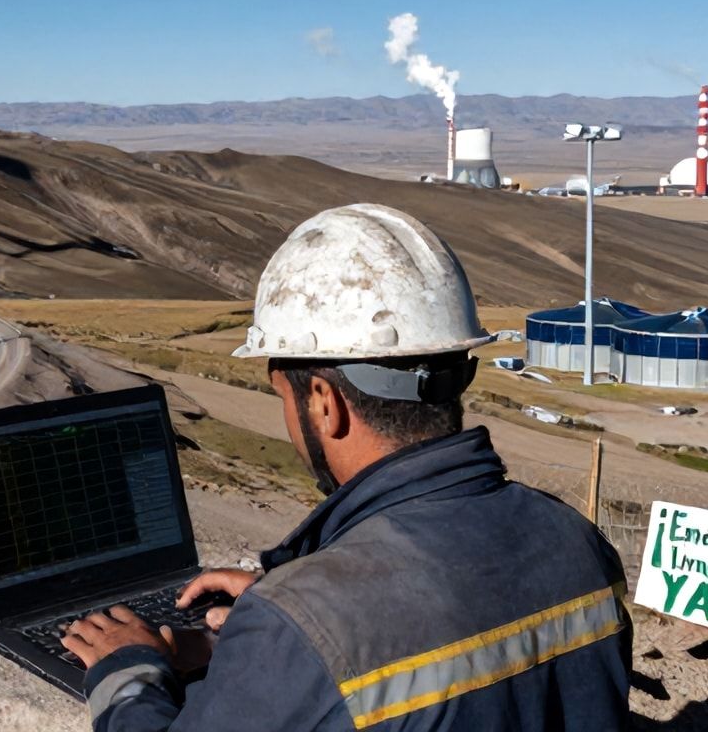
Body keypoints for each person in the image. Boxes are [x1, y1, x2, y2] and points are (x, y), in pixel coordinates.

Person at [62, 203, 633, 731]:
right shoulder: (577, 542)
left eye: (280, 393)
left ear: (322, 402)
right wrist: (276, 624)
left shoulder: (302, 627)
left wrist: (131, 667)